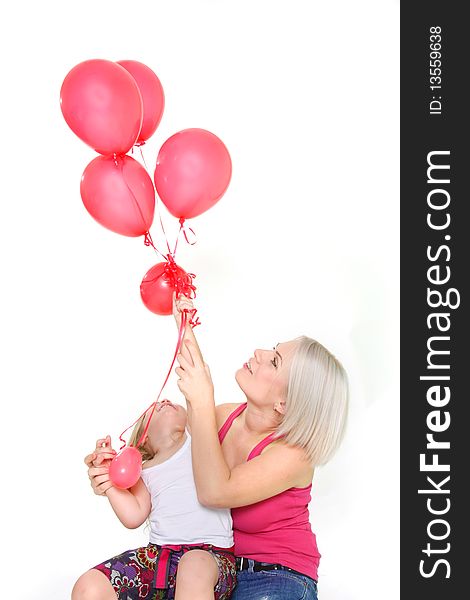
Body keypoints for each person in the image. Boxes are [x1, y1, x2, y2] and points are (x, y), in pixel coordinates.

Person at [171, 294, 349, 599]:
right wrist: (184, 326)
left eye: (274, 361)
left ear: (285, 402)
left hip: (279, 577)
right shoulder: (226, 415)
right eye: (273, 349)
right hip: (219, 569)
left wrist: (202, 399)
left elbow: (215, 492)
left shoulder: (294, 455)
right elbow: (184, 431)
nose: (259, 352)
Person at [72, 398, 237, 600]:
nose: (164, 401)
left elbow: (198, 404)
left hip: (211, 558)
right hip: (159, 559)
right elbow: (133, 516)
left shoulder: (198, 440)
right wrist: (108, 480)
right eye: (154, 408)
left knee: (194, 566)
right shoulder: (143, 471)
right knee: (89, 586)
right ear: (144, 438)